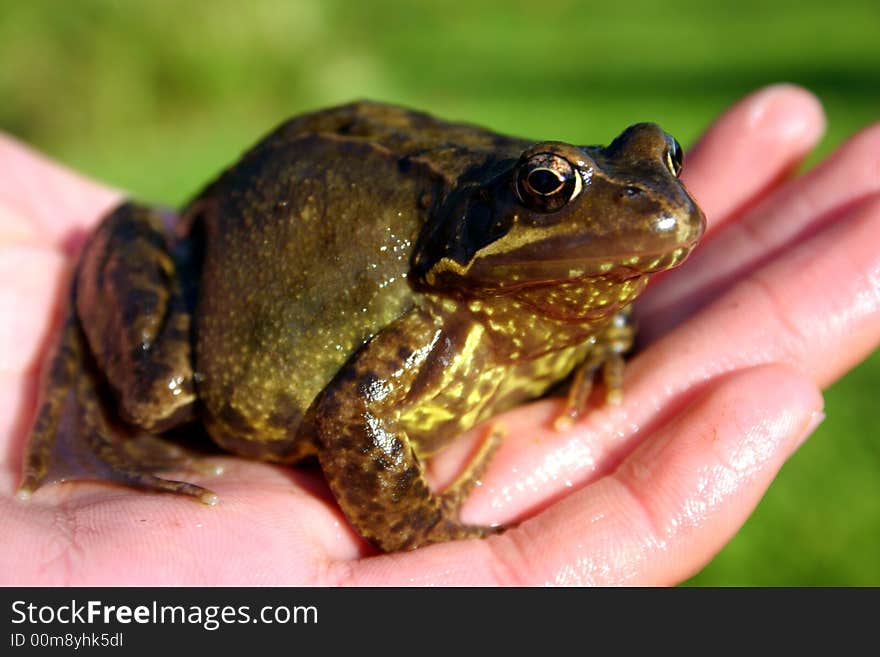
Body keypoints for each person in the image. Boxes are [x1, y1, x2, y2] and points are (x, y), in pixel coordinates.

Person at [1, 85, 877, 585]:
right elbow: (355, 417)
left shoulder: (566, 294)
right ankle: (78, 381)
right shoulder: (435, 315)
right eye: (547, 188)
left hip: (341, 164)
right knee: (157, 390)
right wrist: (418, 527)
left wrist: (608, 333)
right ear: (501, 204)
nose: (661, 207)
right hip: (233, 242)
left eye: (664, 162)